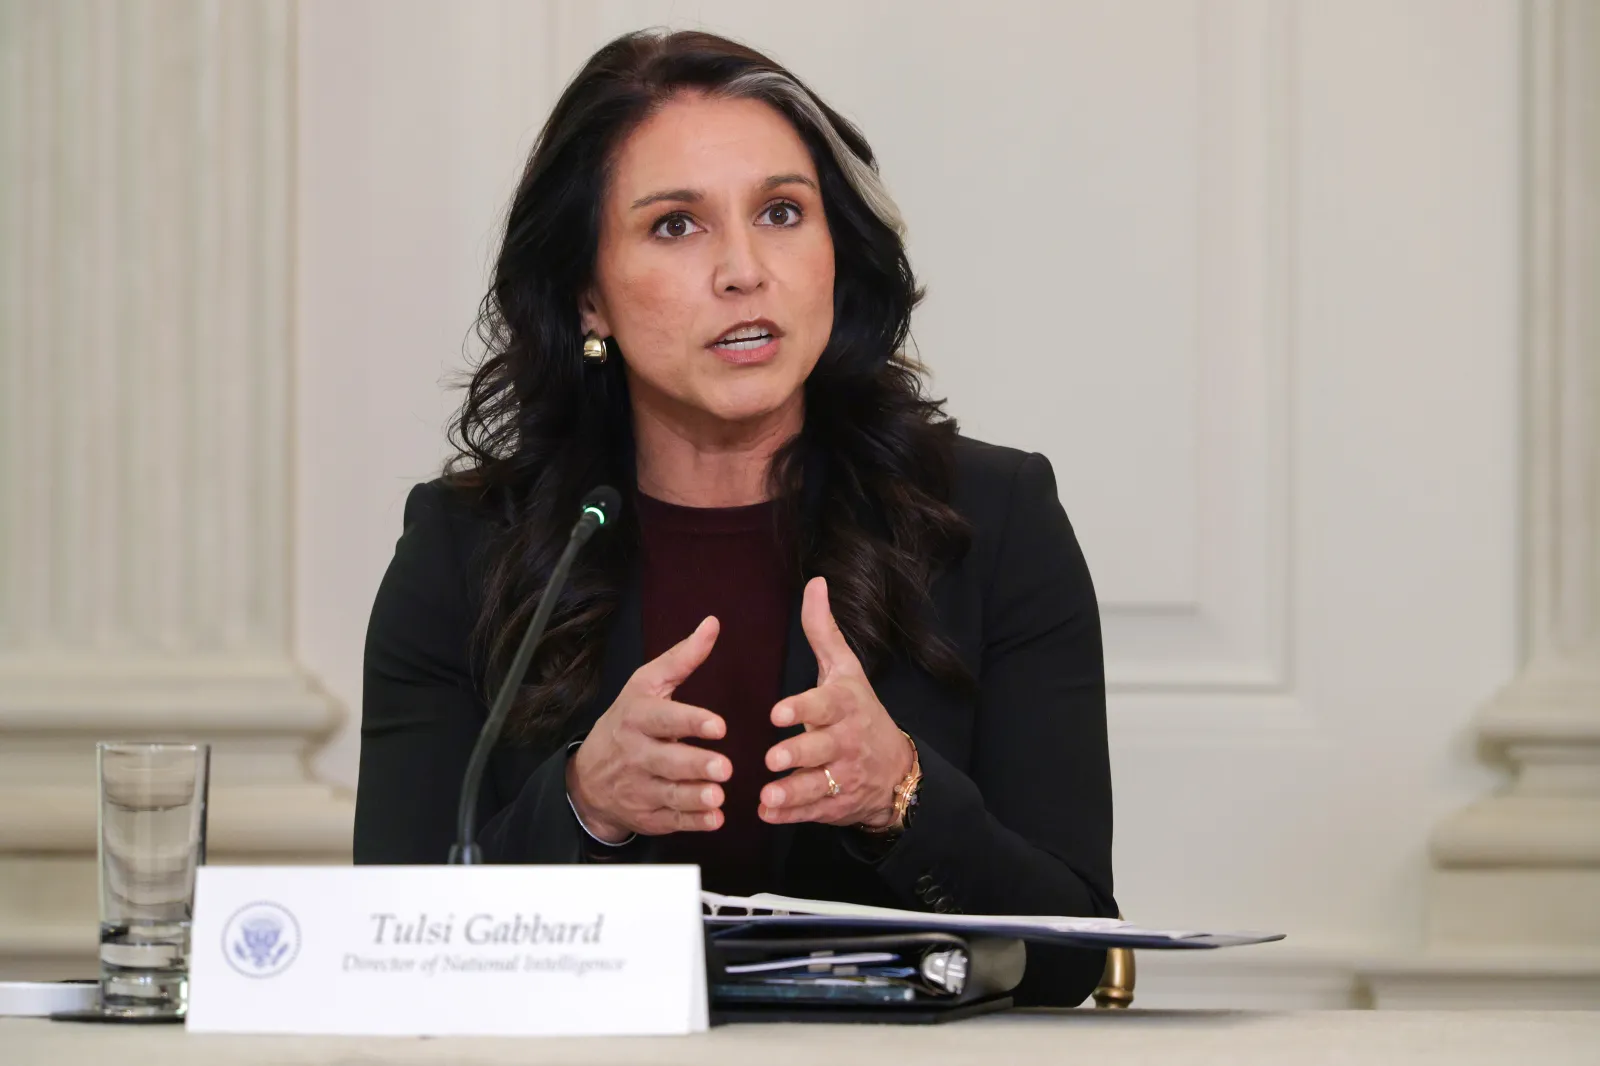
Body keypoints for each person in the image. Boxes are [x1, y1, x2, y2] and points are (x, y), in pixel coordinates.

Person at [354, 28, 1115, 1006]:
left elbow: (1072, 950)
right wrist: (583, 806)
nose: (744, 270)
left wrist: (902, 797)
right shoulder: (464, 549)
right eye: (677, 225)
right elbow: (387, 946)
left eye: (782, 213)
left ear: (835, 251)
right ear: (588, 296)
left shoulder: (993, 521)